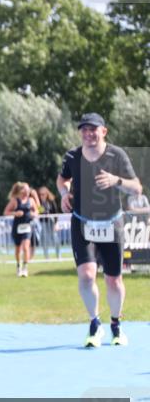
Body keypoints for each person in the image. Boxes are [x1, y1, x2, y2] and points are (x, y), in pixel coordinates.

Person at [56, 112, 142, 348]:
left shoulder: (117, 155)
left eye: (93, 129)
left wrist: (117, 181)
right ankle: (95, 323)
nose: (88, 133)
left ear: (103, 131)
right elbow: (61, 179)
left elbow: (137, 188)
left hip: (111, 224)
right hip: (82, 222)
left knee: (113, 280)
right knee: (86, 275)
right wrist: (64, 194)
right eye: (84, 129)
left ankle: (116, 325)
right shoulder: (72, 156)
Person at [3, 182, 38, 277]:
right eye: (25, 190)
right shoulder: (15, 200)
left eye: (28, 190)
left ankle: (25, 268)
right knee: (18, 249)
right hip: (17, 227)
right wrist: (15, 213)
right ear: (21, 190)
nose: (27, 192)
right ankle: (18, 266)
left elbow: (37, 211)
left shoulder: (31, 200)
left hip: (27, 227)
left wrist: (33, 214)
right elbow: (6, 212)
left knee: (26, 247)